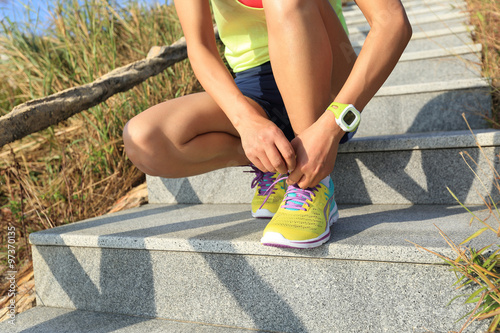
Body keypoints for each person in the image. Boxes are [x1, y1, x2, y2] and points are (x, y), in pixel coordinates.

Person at [123, 0, 412, 248]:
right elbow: (199, 47)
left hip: (330, 84)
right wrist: (246, 121)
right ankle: (277, 162)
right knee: (145, 139)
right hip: (253, 89)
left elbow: (392, 22)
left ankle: (311, 182)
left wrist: (333, 124)